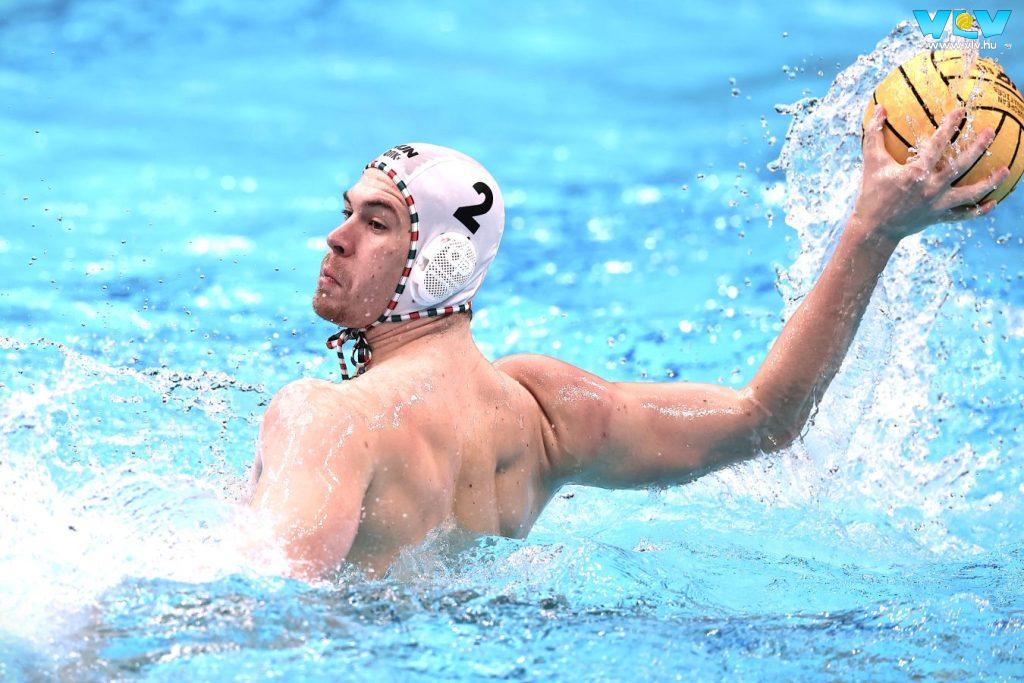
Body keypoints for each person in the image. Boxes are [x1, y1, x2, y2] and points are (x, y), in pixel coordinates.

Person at [247, 107, 1010, 581]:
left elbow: (273, 617)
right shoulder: (543, 417)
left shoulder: (327, 420)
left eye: (376, 222)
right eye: (347, 212)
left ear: (440, 262)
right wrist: (873, 231)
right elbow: (766, 417)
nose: (336, 237)